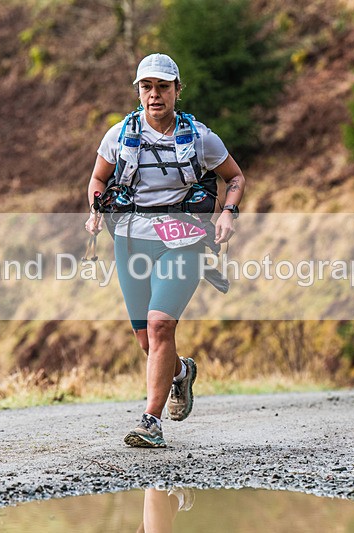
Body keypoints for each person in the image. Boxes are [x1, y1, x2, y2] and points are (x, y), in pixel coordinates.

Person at [85, 53, 245, 446]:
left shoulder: (201, 137)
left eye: (162, 87)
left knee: (160, 325)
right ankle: (180, 374)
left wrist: (228, 214)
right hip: (130, 238)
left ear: (176, 90)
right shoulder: (119, 135)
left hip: (183, 238)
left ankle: (150, 421)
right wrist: (94, 213)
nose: (154, 95)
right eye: (146, 87)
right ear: (138, 91)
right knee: (146, 339)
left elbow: (235, 177)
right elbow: (97, 181)